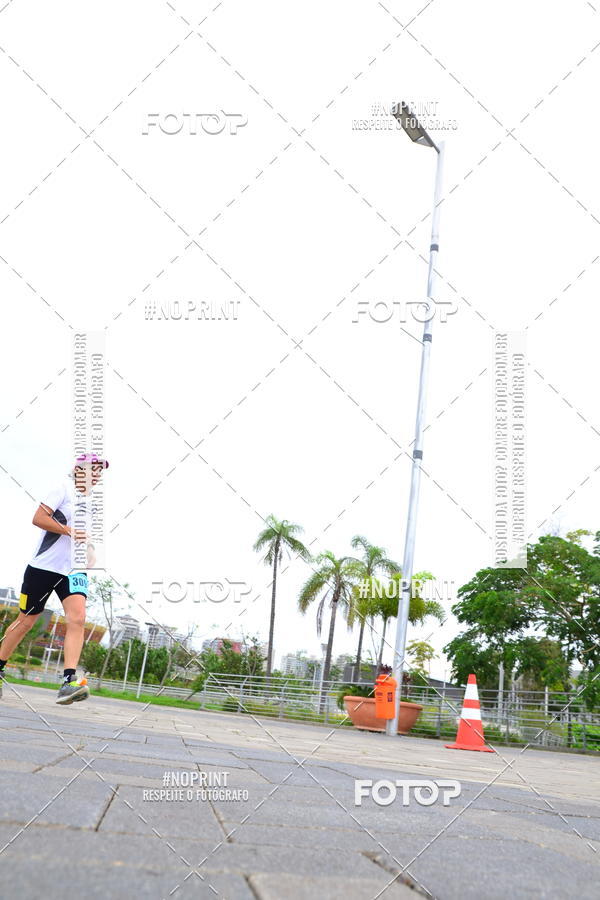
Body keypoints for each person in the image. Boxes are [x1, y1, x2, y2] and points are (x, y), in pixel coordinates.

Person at [0, 453, 109, 704]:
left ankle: (69, 682)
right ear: (78, 470)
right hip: (43, 567)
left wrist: (90, 550)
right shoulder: (63, 489)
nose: (97, 475)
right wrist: (68, 530)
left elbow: (84, 535)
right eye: (93, 469)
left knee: (78, 619)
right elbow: (38, 519)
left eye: (100, 471)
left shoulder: (93, 503)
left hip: (73, 570)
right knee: (26, 621)